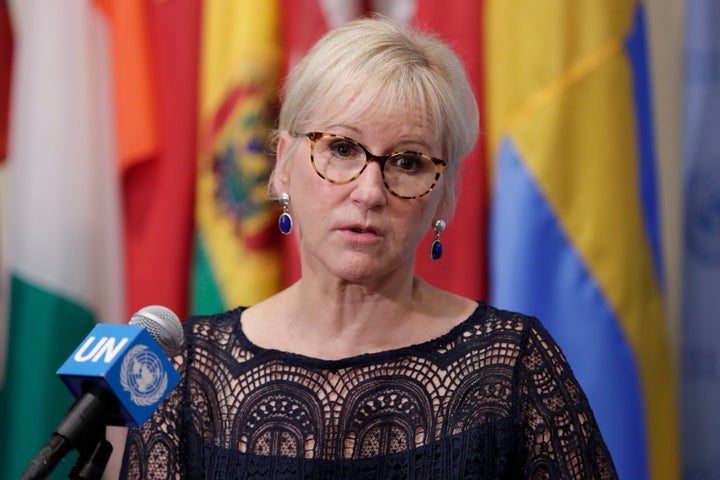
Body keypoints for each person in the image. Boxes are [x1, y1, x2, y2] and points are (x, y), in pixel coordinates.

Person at [120, 15, 618, 480]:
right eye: (341, 149)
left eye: (407, 162)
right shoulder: (187, 375)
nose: (369, 191)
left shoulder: (513, 367)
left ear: (443, 194)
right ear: (282, 163)